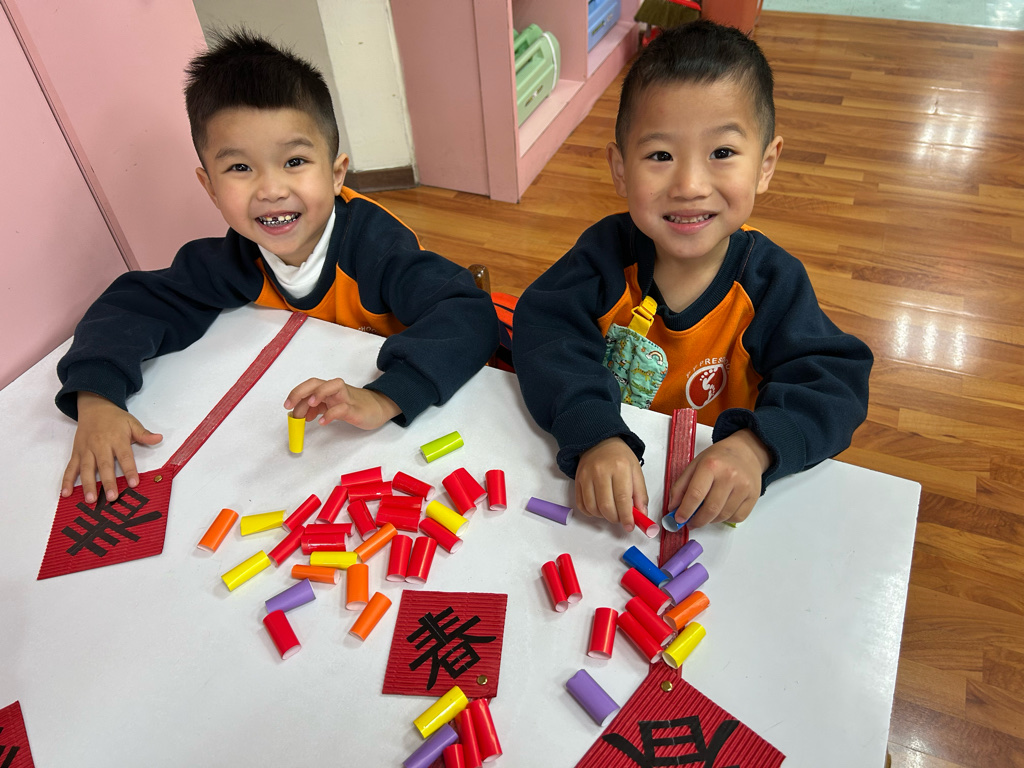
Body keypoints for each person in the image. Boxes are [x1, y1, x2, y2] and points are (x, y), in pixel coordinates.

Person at [57, 31, 498, 504]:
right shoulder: (233, 259)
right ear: (210, 188)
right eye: (239, 168)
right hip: (309, 461)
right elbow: (133, 306)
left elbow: (469, 315)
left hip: (416, 433)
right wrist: (97, 398)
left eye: (294, 161)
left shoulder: (377, 249)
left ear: (336, 173)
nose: (270, 189)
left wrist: (386, 395)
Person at [512, 21, 872, 532]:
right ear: (620, 169)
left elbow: (836, 383)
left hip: (715, 509)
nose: (690, 185)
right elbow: (545, 333)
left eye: (722, 153)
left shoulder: (771, 282)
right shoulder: (603, 256)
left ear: (765, 165)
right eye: (660, 155)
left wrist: (756, 447)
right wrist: (594, 432)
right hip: (615, 501)